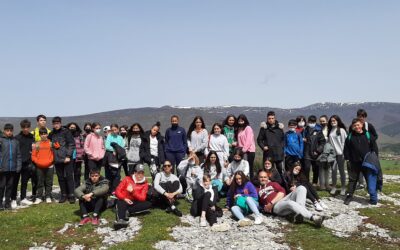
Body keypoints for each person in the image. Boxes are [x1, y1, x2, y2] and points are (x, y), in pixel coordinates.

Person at [257, 169, 325, 227]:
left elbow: (282, 193)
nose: (263, 179)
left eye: (265, 177)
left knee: (301, 188)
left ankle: (299, 215)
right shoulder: (257, 189)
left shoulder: (273, 184)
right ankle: (313, 217)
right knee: (290, 203)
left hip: (281, 200)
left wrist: (271, 203)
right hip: (275, 207)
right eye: (261, 177)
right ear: (258, 178)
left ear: (268, 178)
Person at [344, 118, 380, 205]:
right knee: (352, 180)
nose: (357, 127)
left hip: (367, 163)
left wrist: (375, 159)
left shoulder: (368, 135)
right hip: (354, 162)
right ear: (352, 127)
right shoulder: (350, 137)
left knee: (369, 179)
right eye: (354, 125)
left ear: (362, 125)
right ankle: (349, 196)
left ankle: (373, 197)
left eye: (358, 125)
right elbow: (346, 149)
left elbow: (374, 148)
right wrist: (348, 159)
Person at [113, 164, 152, 229]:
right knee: (120, 202)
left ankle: (126, 211)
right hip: (124, 200)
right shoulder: (127, 179)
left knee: (148, 204)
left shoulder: (145, 184)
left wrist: (133, 192)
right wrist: (124, 198)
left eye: (142, 173)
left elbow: (142, 198)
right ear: (135, 173)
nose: (140, 175)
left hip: (135, 202)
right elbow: (117, 191)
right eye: (138, 173)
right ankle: (121, 220)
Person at [48, 117, 76, 204]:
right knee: (60, 178)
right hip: (57, 159)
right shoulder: (51, 133)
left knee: (69, 176)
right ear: (53, 124)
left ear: (60, 123)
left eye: (58, 123)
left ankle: (71, 195)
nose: (56, 125)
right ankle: (63, 195)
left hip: (67, 158)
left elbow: (71, 144)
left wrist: (68, 156)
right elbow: (48, 142)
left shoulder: (66, 132)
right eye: (54, 123)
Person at [13, 119, 35, 207]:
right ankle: (13, 199)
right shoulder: (17, 138)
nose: (26, 129)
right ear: (21, 127)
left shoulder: (31, 137)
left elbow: (33, 149)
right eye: (24, 127)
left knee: (24, 182)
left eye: (27, 127)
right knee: (15, 182)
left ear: (29, 127)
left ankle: (23, 199)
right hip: (18, 163)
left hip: (27, 163)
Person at [257, 111, 285, 179]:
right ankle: (268, 187)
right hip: (268, 154)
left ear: (275, 118)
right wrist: (263, 147)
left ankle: (284, 187)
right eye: (269, 118)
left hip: (278, 153)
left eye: (272, 118)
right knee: (267, 172)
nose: (271, 120)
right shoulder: (264, 128)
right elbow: (259, 140)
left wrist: (281, 148)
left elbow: (283, 139)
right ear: (267, 119)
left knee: (282, 172)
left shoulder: (279, 128)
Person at [0, 124, 22, 210]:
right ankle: (0, 203)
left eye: (10, 130)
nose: (9, 132)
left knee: (10, 186)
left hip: (13, 169)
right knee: (1, 187)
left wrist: (18, 167)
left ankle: (7, 203)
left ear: (12, 131)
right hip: (2, 168)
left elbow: (19, 155)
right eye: (7, 130)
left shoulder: (15, 141)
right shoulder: (1, 140)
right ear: (4, 131)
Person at [31, 128, 55, 204]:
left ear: (47, 134)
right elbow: (33, 155)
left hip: (49, 166)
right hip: (39, 166)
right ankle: (39, 197)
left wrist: (50, 161)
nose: (43, 135)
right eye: (42, 134)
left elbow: (55, 153)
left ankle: (48, 196)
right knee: (39, 182)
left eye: (45, 134)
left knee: (49, 182)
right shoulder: (37, 144)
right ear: (40, 135)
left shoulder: (51, 143)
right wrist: (37, 162)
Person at [328, 115, 348, 195]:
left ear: (338, 121)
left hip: (340, 154)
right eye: (331, 121)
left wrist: (343, 153)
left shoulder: (342, 130)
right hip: (333, 154)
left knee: (341, 171)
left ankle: (343, 187)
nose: (333, 122)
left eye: (334, 121)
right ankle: (334, 187)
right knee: (333, 170)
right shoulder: (331, 130)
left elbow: (344, 142)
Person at [303, 115, 326, 185]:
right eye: (310, 122)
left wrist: (318, 150)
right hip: (307, 152)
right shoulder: (305, 130)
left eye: (313, 122)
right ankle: (306, 183)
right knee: (306, 168)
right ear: (308, 122)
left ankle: (315, 182)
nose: (311, 123)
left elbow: (323, 142)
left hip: (315, 152)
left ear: (315, 122)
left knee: (315, 168)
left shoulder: (318, 130)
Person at [104, 124, 125, 194]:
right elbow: (107, 146)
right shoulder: (109, 136)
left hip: (118, 158)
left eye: (115, 130)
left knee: (117, 175)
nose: (114, 131)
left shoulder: (120, 138)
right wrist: (113, 150)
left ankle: (115, 189)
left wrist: (116, 150)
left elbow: (122, 146)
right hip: (110, 158)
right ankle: (108, 189)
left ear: (118, 130)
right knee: (109, 174)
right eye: (112, 130)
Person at [236, 114, 256, 179]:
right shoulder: (239, 129)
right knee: (243, 166)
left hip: (249, 151)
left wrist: (243, 150)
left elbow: (249, 140)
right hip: (241, 150)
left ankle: (251, 181)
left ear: (245, 121)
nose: (240, 122)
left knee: (249, 166)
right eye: (239, 121)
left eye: (242, 121)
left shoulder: (248, 128)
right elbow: (239, 141)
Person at [67, 122, 85, 189]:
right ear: (68, 128)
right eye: (71, 127)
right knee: (69, 174)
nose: (72, 129)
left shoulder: (79, 136)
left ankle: (77, 188)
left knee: (77, 174)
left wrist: (82, 154)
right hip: (69, 157)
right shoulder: (66, 135)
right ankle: (70, 188)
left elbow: (82, 146)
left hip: (78, 157)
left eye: (74, 127)